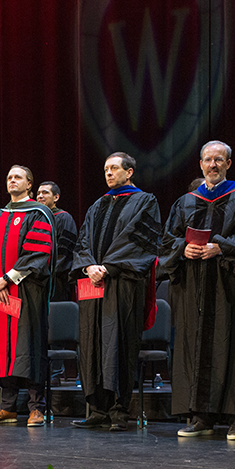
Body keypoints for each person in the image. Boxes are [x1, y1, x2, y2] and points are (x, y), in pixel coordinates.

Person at [160, 140, 235, 440]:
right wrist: (184, 249)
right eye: (208, 160)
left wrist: (222, 247)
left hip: (229, 284)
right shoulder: (185, 201)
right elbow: (167, 240)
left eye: (219, 160)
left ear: (228, 164)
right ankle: (200, 415)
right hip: (194, 287)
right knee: (194, 348)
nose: (213, 165)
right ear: (201, 164)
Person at [72, 152, 162, 431]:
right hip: (94, 284)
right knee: (92, 344)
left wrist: (108, 267)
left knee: (119, 344)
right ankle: (97, 409)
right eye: (105, 169)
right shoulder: (97, 205)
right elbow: (83, 240)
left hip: (122, 284)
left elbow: (138, 241)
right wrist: (88, 267)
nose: (108, 173)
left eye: (114, 168)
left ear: (129, 172)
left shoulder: (145, 201)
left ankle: (120, 411)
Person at [0, 165, 54, 427]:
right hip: (0, 293)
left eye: (17, 177)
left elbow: (38, 252)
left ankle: (36, 408)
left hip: (27, 291)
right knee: (4, 348)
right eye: (8, 177)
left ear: (30, 184)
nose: (12, 181)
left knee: (28, 346)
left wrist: (7, 278)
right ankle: (7, 407)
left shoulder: (39, 213)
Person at [36, 181, 78, 302]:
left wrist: (46, 273)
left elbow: (64, 252)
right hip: (37, 279)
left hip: (56, 280)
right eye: (38, 193)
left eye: (45, 192)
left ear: (56, 197)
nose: (40, 196)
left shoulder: (64, 218)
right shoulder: (35, 219)